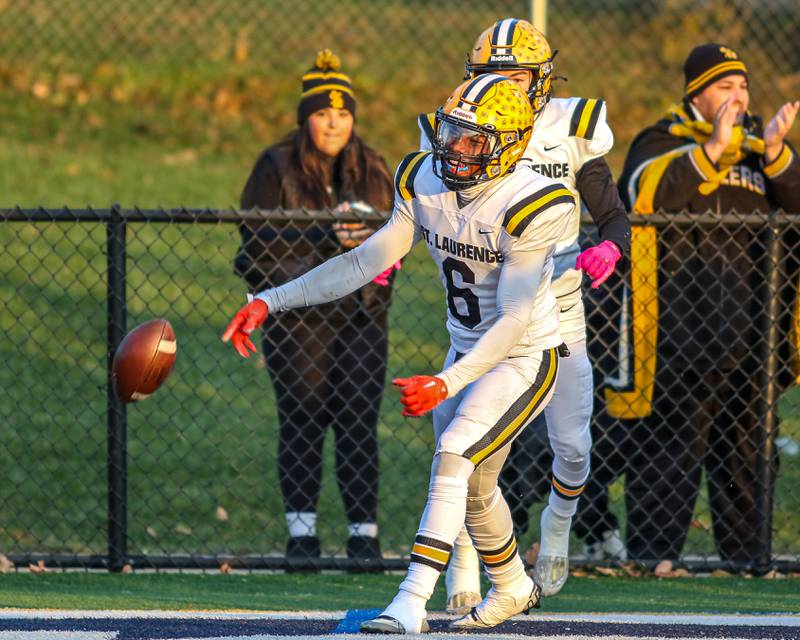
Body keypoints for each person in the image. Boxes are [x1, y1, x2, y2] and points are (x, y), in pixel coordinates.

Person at [224, 75, 575, 633]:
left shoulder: (535, 201)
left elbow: (513, 318)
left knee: (456, 453)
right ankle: (511, 585)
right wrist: (272, 300)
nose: (454, 149)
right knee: (478, 489)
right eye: (452, 132)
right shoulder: (423, 176)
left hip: (525, 357)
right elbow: (365, 261)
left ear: (507, 143)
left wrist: (448, 381)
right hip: (465, 351)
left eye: (472, 140)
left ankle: (411, 600)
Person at [418, 18, 631, 605]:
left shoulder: (569, 129)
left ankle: (557, 527)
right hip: (484, 316)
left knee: (573, 445)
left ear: (539, 80)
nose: (501, 88)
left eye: (512, 76)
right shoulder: (458, 126)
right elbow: (425, 199)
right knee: (466, 447)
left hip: (558, 309)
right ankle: (463, 561)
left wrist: (611, 244)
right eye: (490, 76)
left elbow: (612, 212)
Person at [616, 43, 800, 563]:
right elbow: (642, 194)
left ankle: (748, 559)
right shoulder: (662, 140)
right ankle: (653, 558)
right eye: (724, 87)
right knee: (668, 449)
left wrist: (775, 154)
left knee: (748, 450)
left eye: (742, 86)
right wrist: (712, 149)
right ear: (696, 94)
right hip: (679, 333)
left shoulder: (761, 147)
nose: (737, 97)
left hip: (753, 334)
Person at [233, 49, 397, 567]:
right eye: (323, 114)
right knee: (302, 419)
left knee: (356, 421)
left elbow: (396, 238)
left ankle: (363, 536)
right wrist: (327, 240)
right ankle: (301, 535)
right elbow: (257, 247)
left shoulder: (372, 165)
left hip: (361, 318)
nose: (334, 123)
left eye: (343, 113)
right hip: (297, 320)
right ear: (306, 117)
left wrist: (366, 244)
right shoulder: (275, 165)